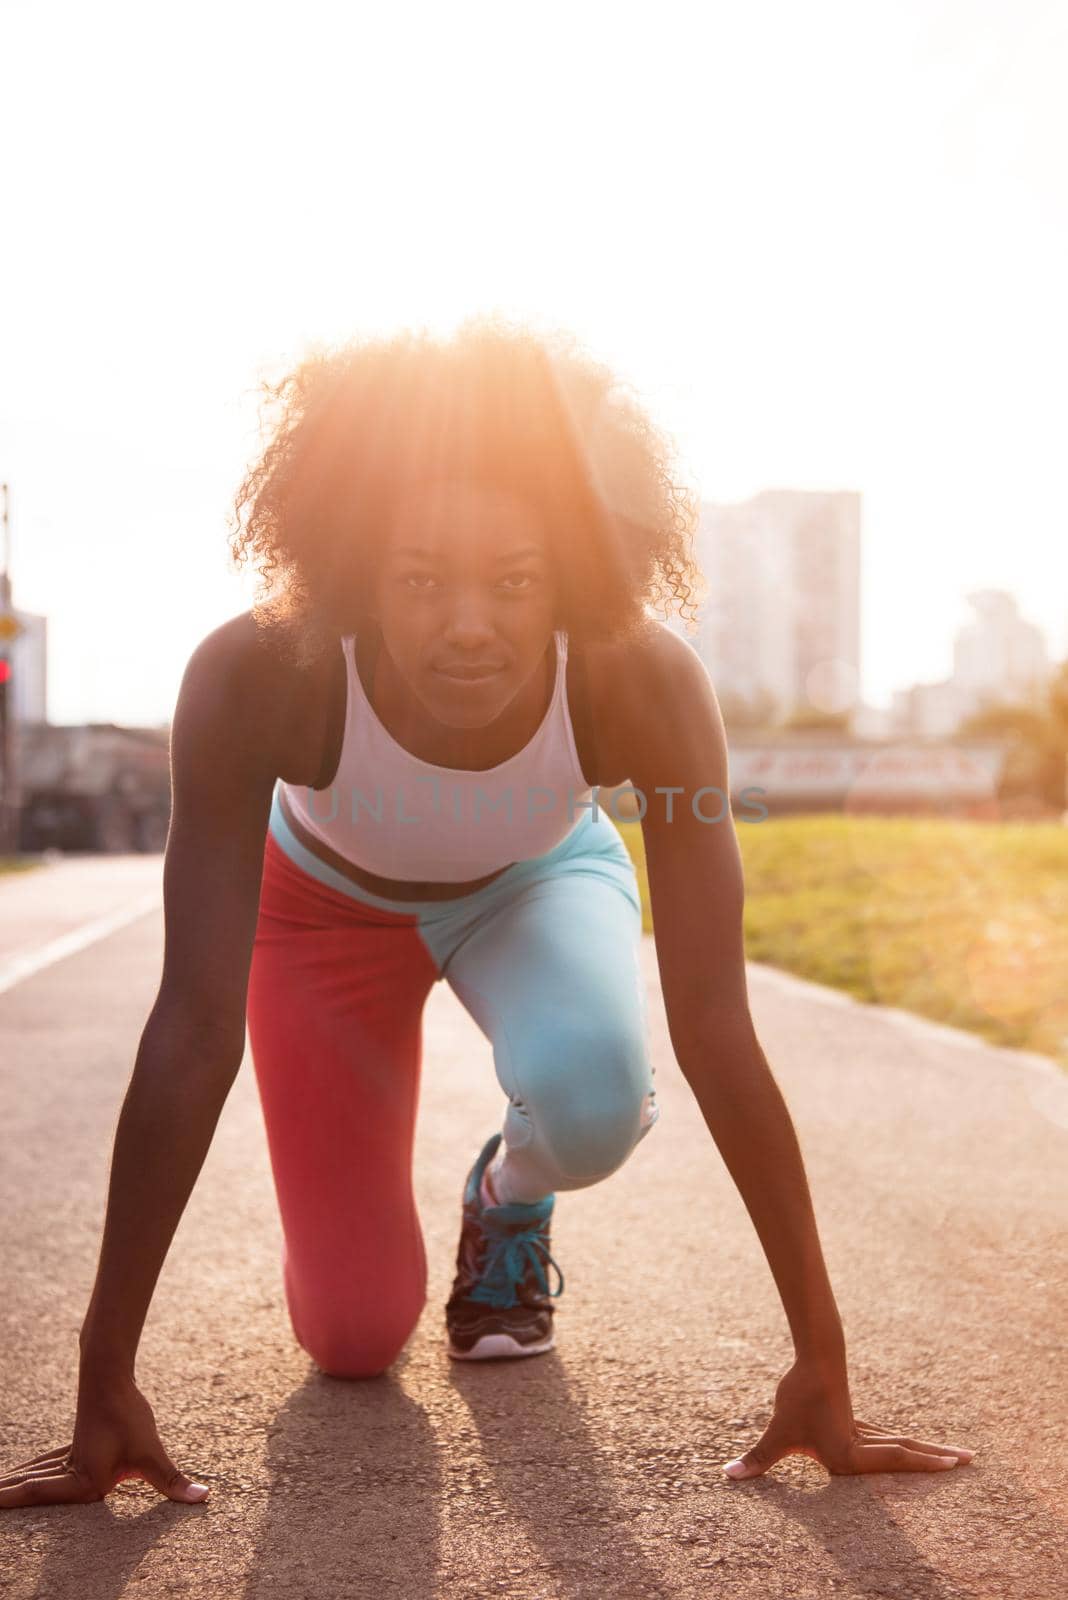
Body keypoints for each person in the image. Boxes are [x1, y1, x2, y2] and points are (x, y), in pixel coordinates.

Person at [0, 315, 973, 1510]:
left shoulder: (644, 679)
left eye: (516, 583)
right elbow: (194, 1025)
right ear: (353, 569)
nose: (471, 623)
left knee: (597, 1095)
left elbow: (716, 1024)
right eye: (420, 582)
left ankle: (508, 1195)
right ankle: (387, 1263)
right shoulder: (257, 672)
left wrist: (822, 1361)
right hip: (322, 920)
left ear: (573, 572)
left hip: (535, 881)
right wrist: (104, 1372)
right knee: (353, 1336)